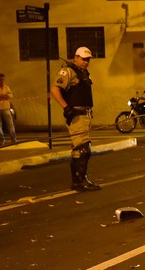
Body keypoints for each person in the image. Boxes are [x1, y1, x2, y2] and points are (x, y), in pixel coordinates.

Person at [50, 47, 100, 192]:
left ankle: (78, 181)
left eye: (88, 59)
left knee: (79, 149)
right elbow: (55, 89)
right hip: (76, 115)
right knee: (83, 149)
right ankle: (80, 181)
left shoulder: (83, 73)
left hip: (85, 115)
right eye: (83, 59)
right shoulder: (68, 71)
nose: (86, 62)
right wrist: (66, 107)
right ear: (76, 58)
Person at [0, 73, 17, 146]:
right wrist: (5, 96)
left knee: (10, 124)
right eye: (0, 79)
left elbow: (11, 96)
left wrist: (1, 96)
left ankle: (13, 139)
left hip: (6, 107)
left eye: (3, 79)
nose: (1, 81)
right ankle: (2, 139)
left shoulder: (6, 87)